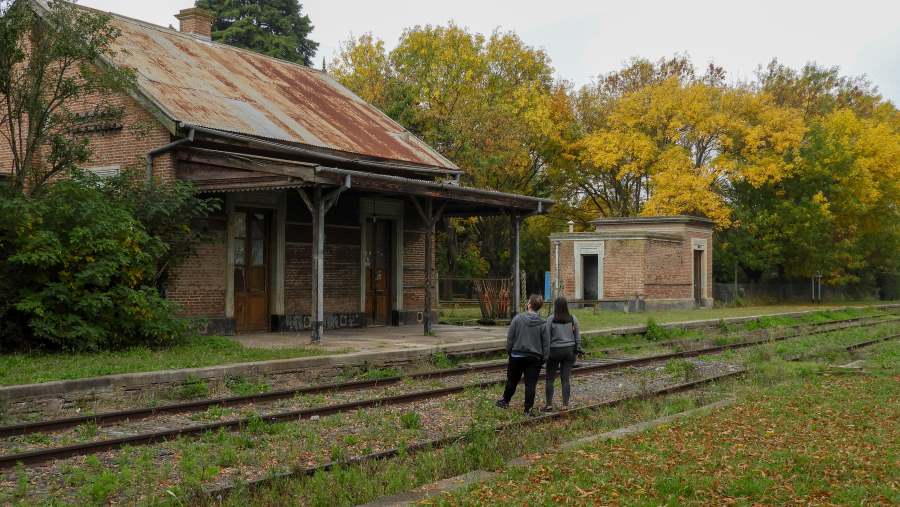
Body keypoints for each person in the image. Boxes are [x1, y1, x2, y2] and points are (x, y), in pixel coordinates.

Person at [496, 294, 550, 415]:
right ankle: (528, 410)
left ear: (529, 304)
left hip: (517, 355)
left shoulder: (517, 319)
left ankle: (505, 401)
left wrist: (509, 351)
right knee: (530, 384)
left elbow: (510, 337)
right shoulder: (543, 323)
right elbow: (546, 343)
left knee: (512, 380)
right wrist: (544, 358)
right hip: (534, 358)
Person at [543, 297, 581, 411]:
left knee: (550, 379)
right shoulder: (573, 319)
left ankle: (549, 405)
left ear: (556, 306)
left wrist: (545, 353)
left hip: (554, 351)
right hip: (569, 351)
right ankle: (565, 405)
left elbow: (546, 337)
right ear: (566, 306)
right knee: (565, 379)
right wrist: (577, 348)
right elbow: (578, 336)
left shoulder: (551, 319)